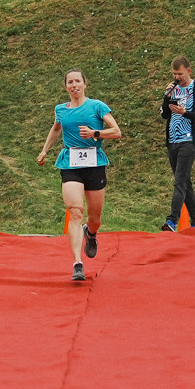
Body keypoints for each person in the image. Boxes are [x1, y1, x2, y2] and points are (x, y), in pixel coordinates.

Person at [36, 69, 121, 282]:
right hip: (70, 163)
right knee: (75, 211)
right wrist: (45, 149)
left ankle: (91, 234)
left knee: (95, 218)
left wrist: (95, 134)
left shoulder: (97, 106)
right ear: (66, 86)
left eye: (77, 81)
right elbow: (56, 129)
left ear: (84, 84)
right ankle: (77, 264)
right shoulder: (61, 110)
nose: (74, 85)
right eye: (70, 82)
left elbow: (117, 131)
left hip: (94, 163)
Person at [157, 56, 195, 231]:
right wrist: (166, 97)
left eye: (180, 74)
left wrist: (185, 113)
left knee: (179, 181)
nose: (177, 77)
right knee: (185, 182)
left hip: (189, 141)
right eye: (174, 74)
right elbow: (164, 114)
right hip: (173, 141)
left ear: (189, 71)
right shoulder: (174, 89)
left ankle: (172, 220)